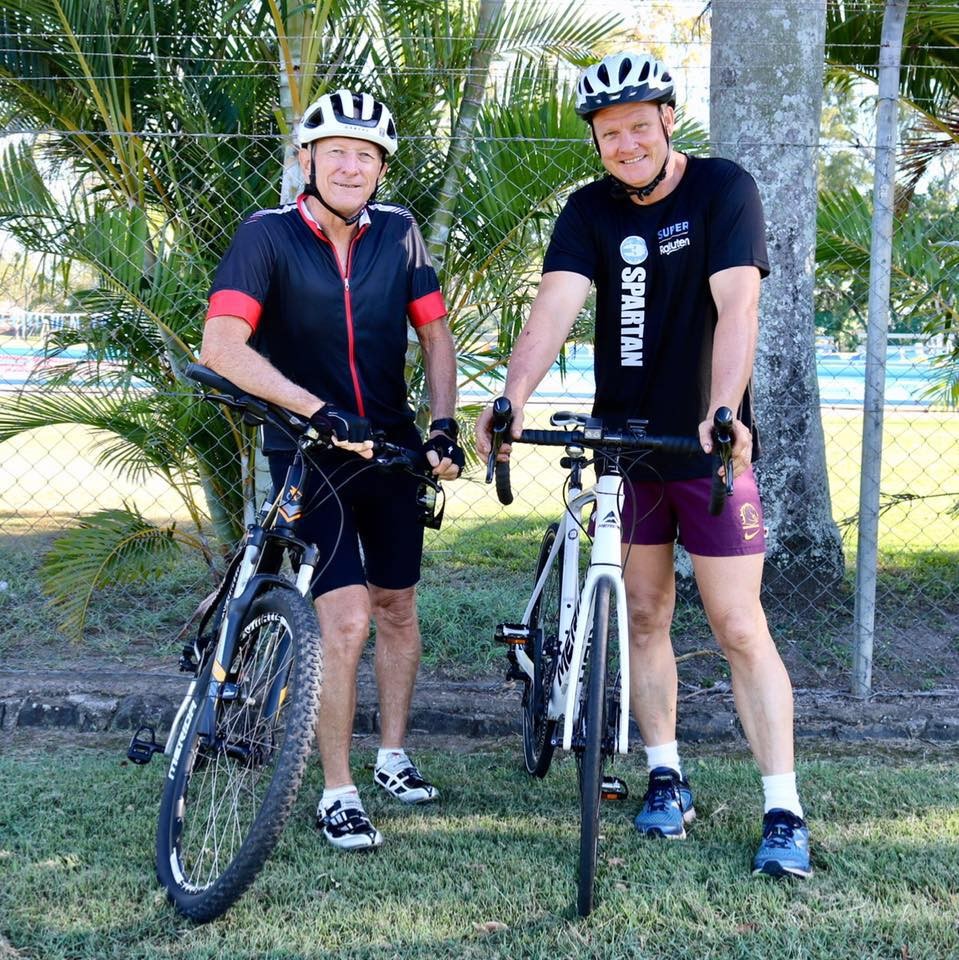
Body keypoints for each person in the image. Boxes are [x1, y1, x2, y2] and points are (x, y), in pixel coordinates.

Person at [476, 51, 811, 878]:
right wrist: (510, 396)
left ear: (666, 119)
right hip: (625, 450)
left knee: (738, 625)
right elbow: (553, 305)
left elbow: (738, 306)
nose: (623, 144)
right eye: (606, 133)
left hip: (705, 449)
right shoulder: (587, 211)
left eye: (636, 126)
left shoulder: (723, 189)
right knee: (644, 616)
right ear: (594, 141)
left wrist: (722, 409)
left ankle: (782, 807)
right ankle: (665, 775)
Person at [200, 88, 464, 851]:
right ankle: (336, 791)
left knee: (397, 607)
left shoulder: (400, 235)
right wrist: (314, 410)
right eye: (337, 151)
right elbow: (223, 347)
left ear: (381, 169)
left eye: (367, 155)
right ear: (306, 160)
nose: (352, 165)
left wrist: (442, 426)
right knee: (343, 620)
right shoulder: (267, 236)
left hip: (387, 449)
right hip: (306, 453)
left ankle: (391, 756)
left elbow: (436, 338)